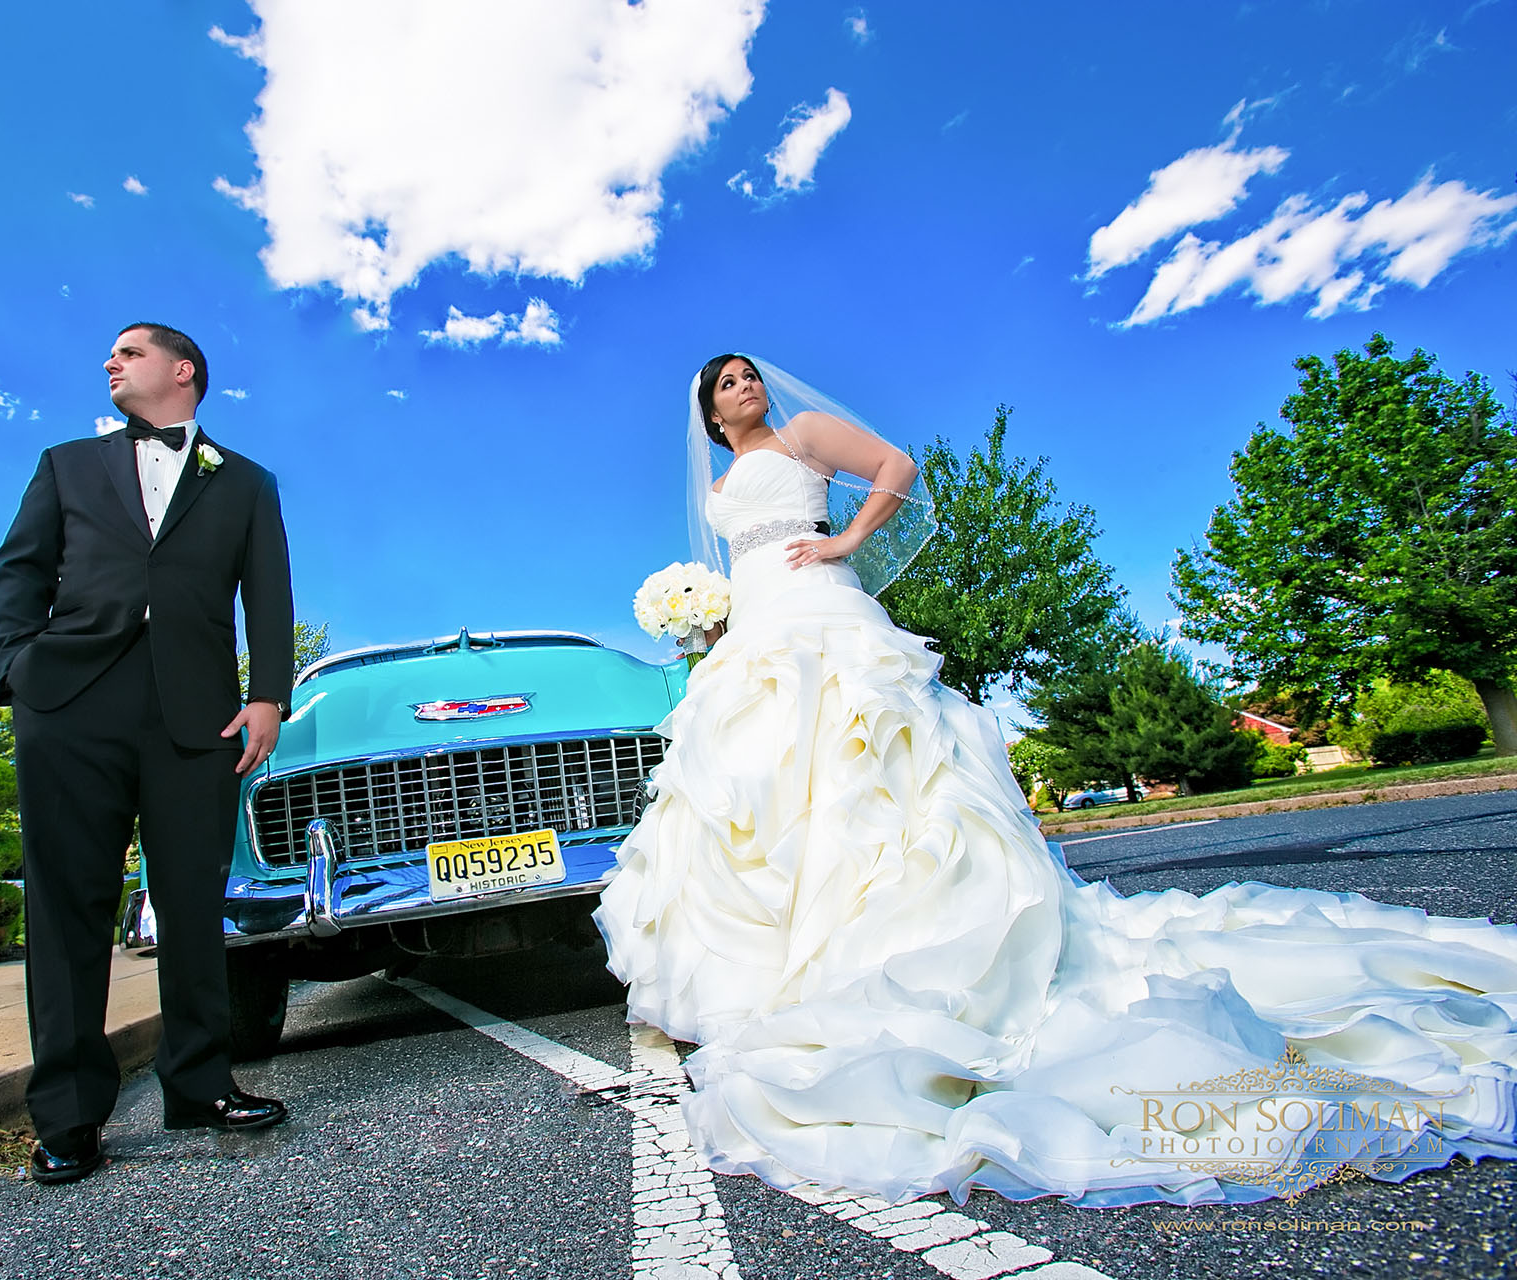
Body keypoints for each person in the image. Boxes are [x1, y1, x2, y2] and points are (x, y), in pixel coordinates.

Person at [594, 353, 1517, 1208]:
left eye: (751, 375)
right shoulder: (717, 488)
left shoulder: (802, 441)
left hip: (826, 620)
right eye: (728, 384)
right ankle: (773, 974)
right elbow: (734, 564)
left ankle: (901, 950)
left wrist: (845, 546)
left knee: (870, 769)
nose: (746, 386)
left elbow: (898, 467)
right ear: (711, 414)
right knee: (757, 789)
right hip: (753, 632)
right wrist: (706, 623)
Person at [0, 322, 295, 1186]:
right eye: (110, 354)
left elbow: (268, 591)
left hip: (196, 719)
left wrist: (268, 694)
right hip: (70, 706)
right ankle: (70, 1117)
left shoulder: (246, 483)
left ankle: (199, 1084)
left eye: (129, 352)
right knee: (67, 909)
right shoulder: (66, 466)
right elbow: (17, 571)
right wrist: (19, 666)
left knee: (192, 906)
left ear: (181, 369)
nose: (110, 362)